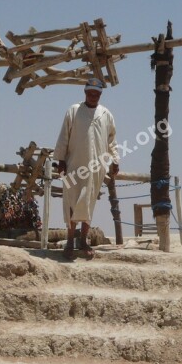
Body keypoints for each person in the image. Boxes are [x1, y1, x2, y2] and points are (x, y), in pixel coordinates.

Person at [54, 78, 119, 260]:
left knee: (88, 203)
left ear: (100, 95)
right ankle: (69, 241)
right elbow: (63, 136)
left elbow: (112, 140)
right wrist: (60, 160)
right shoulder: (74, 111)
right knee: (71, 204)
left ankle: (83, 240)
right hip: (74, 166)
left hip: (96, 168)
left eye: (96, 94)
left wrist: (115, 160)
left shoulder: (106, 114)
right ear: (85, 93)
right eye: (90, 93)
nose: (93, 97)